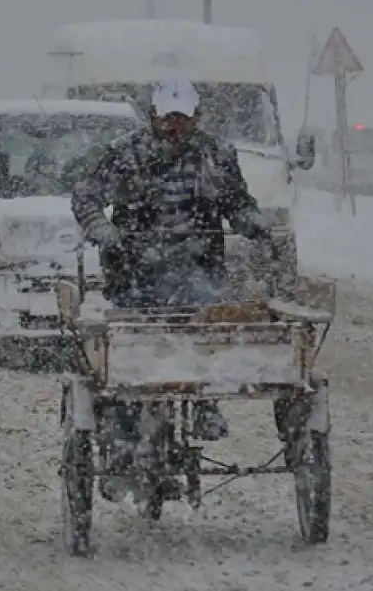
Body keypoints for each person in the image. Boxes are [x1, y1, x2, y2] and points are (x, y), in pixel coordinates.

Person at [71, 78, 276, 471]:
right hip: (133, 273)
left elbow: (238, 204)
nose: (175, 127)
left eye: (183, 118)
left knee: (203, 332)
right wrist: (103, 229)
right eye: (168, 118)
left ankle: (204, 403)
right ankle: (123, 436)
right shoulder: (123, 154)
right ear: (153, 116)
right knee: (131, 358)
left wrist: (256, 224)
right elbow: (86, 196)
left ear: (197, 118)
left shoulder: (218, 155)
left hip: (199, 269)